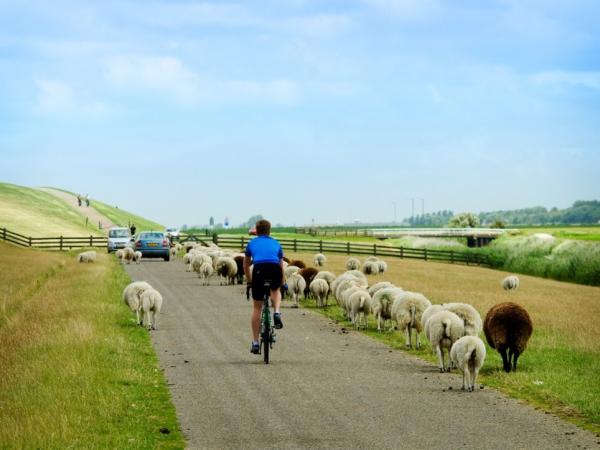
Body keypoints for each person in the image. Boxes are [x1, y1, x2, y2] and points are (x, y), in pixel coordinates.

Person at [243, 219, 284, 355]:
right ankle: (277, 312)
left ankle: (255, 343)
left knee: (257, 307)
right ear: (269, 230)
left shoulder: (251, 243)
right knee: (275, 289)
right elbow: (281, 264)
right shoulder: (276, 243)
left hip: (259, 269)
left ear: (256, 231)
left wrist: (249, 281)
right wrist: (282, 281)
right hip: (274, 268)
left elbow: (246, 265)